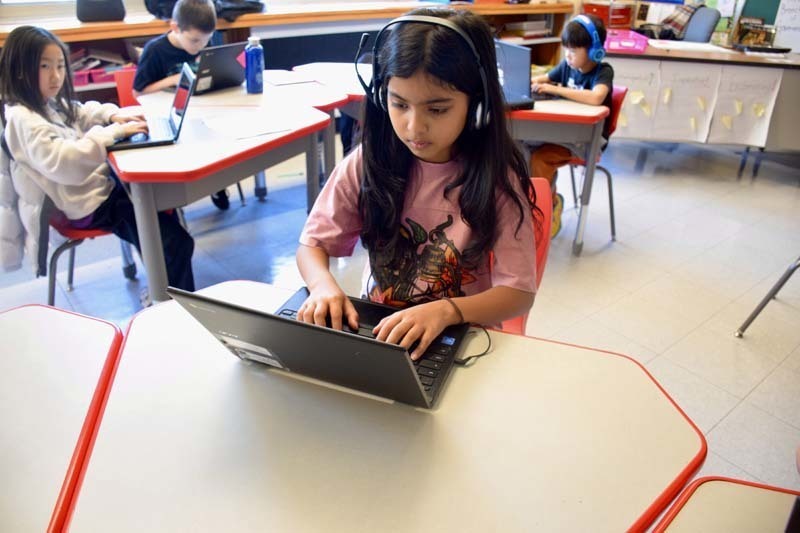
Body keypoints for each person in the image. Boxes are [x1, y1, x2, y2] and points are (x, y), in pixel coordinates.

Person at [296, 8, 540, 360]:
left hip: (461, 335)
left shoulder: (498, 181)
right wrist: (320, 285)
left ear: (477, 103)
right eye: (399, 104)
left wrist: (448, 311)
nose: (414, 127)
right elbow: (311, 245)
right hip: (385, 331)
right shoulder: (368, 164)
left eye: (437, 109)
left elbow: (518, 293)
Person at [0, 25, 195, 291]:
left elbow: (79, 111)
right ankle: (172, 304)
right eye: (45, 66)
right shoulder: (25, 120)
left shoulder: (43, 102)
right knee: (175, 243)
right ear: (20, 69)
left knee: (158, 207)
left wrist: (111, 116)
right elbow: (65, 163)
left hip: (96, 189)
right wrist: (111, 133)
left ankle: (161, 279)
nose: (56, 75)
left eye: (60, 65)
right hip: (89, 204)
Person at [133, 0, 230, 210]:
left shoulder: (202, 42)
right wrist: (174, 80)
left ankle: (216, 183)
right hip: (169, 116)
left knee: (220, 137)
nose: (201, 47)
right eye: (195, 41)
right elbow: (138, 91)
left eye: (206, 40)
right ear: (175, 28)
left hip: (201, 111)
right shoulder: (155, 50)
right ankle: (194, 188)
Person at [529, 13, 614, 238]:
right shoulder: (566, 66)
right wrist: (531, 82)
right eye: (566, 49)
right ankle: (548, 199)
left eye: (574, 51)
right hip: (562, 133)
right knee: (521, 148)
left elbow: (596, 98)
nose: (568, 55)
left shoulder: (603, 71)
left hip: (586, 140)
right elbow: (542, 79)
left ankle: (546, 208)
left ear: (595, 50)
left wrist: (555, 89)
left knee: (539, 158)